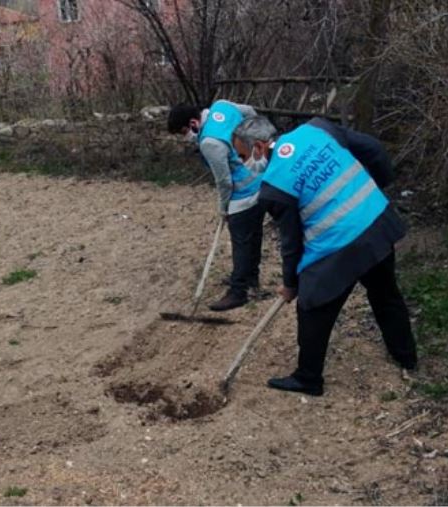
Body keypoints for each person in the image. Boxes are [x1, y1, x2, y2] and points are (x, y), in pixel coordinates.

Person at [231, 115, 417, 396]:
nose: (246, 163)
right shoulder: (317, 128)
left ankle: (308, 378)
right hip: (376, 222)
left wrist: (292, 285)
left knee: (312, 306)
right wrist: (377, 188)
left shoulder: (273, 187)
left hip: (340, 245)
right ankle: (406, 356)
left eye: (244, 155)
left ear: (258, 147)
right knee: (385, 293)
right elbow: (373, 148)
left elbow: (292, 245)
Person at [167, 101, 266, 311]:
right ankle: (252, 280)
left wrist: (223, 208)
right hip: (261, 180)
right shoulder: (222, 107)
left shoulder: (209, 142)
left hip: (243, 193)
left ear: (193, 122)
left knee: (240, 242)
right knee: (254, 235)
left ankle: (238, 291)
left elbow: (224, 181)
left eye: (185, 131)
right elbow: (250, 111)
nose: (186, 137)